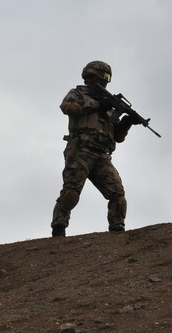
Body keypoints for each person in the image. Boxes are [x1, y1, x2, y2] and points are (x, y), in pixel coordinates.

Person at [50, 60, 138, 236]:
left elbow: (118, 137)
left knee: (117, 194)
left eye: (107, 77)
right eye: (102, 76)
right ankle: (59, 227)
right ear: (90, 76)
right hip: (80, 150)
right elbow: (67, 107)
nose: (104, 80)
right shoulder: (78, 94)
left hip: (102, 155)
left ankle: (117, 228)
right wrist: (98, 105)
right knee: (71, 192)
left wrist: (127, 122)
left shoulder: (109, 103)